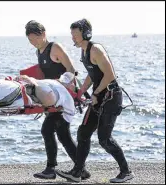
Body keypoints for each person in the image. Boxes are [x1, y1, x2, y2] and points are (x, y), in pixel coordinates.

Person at [55, 18, 134, 183]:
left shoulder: (95, 49)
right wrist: (81, 91)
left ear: (86, 34)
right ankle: (77, 172)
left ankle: (126, 172)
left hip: (111, 97)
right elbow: (93, 74)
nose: (73, 38)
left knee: (104, 139)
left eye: (75, 35)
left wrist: (96, 93)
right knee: (83, 132)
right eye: (72, 35)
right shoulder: (83, 52)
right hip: (99, 97)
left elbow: (110, 75)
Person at [25, 20, 91, 180]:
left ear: (43, 34)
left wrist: (61, 84)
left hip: (63, 97)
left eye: (35, 39)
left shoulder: (55, 48)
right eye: (30, 40)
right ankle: (81, 169)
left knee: (47, 130)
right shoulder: (39, 52)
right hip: (52, 98)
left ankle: (51, 168)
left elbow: (71, 70)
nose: (33, 43)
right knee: (63, 134)